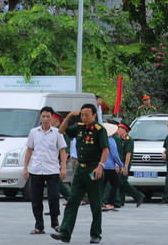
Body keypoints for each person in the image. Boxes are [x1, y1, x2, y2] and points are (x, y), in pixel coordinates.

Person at [52, 104, 109, 244]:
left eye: (87, 115)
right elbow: (61, 130)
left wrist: (100, 166)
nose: (84, 117)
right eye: (82, 115)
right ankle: (65, 232)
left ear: (94, 115)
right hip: (80, 170)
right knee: (72, 201)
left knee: (95, 204)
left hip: (93, 169)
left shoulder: (99, 130)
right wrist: (69, 117)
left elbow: (105, 149)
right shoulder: (79, 127)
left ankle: (95, 234)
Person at [24, 107, 68, 234]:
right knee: (36, 199)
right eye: (43, 116)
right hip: (36, 169)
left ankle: (55, 223)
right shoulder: (34, 132)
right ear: (40, 117)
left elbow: (62, 151)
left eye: (48, 116)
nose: (45, 119)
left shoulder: (57, 132)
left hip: (52, 170)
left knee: (54, 197)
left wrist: (63, 167)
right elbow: (29, 150)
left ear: (52, 118)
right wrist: (25, 168)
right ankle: (39, 226)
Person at [100, 131, 122, 211]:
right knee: (115, 184)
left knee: (102, 185)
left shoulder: (101, 139)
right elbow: (115, 155)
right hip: (110, 166)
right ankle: (110, 203)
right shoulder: (111, 141)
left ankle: (100, 203)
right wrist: (120, 164)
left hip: (101, 165)